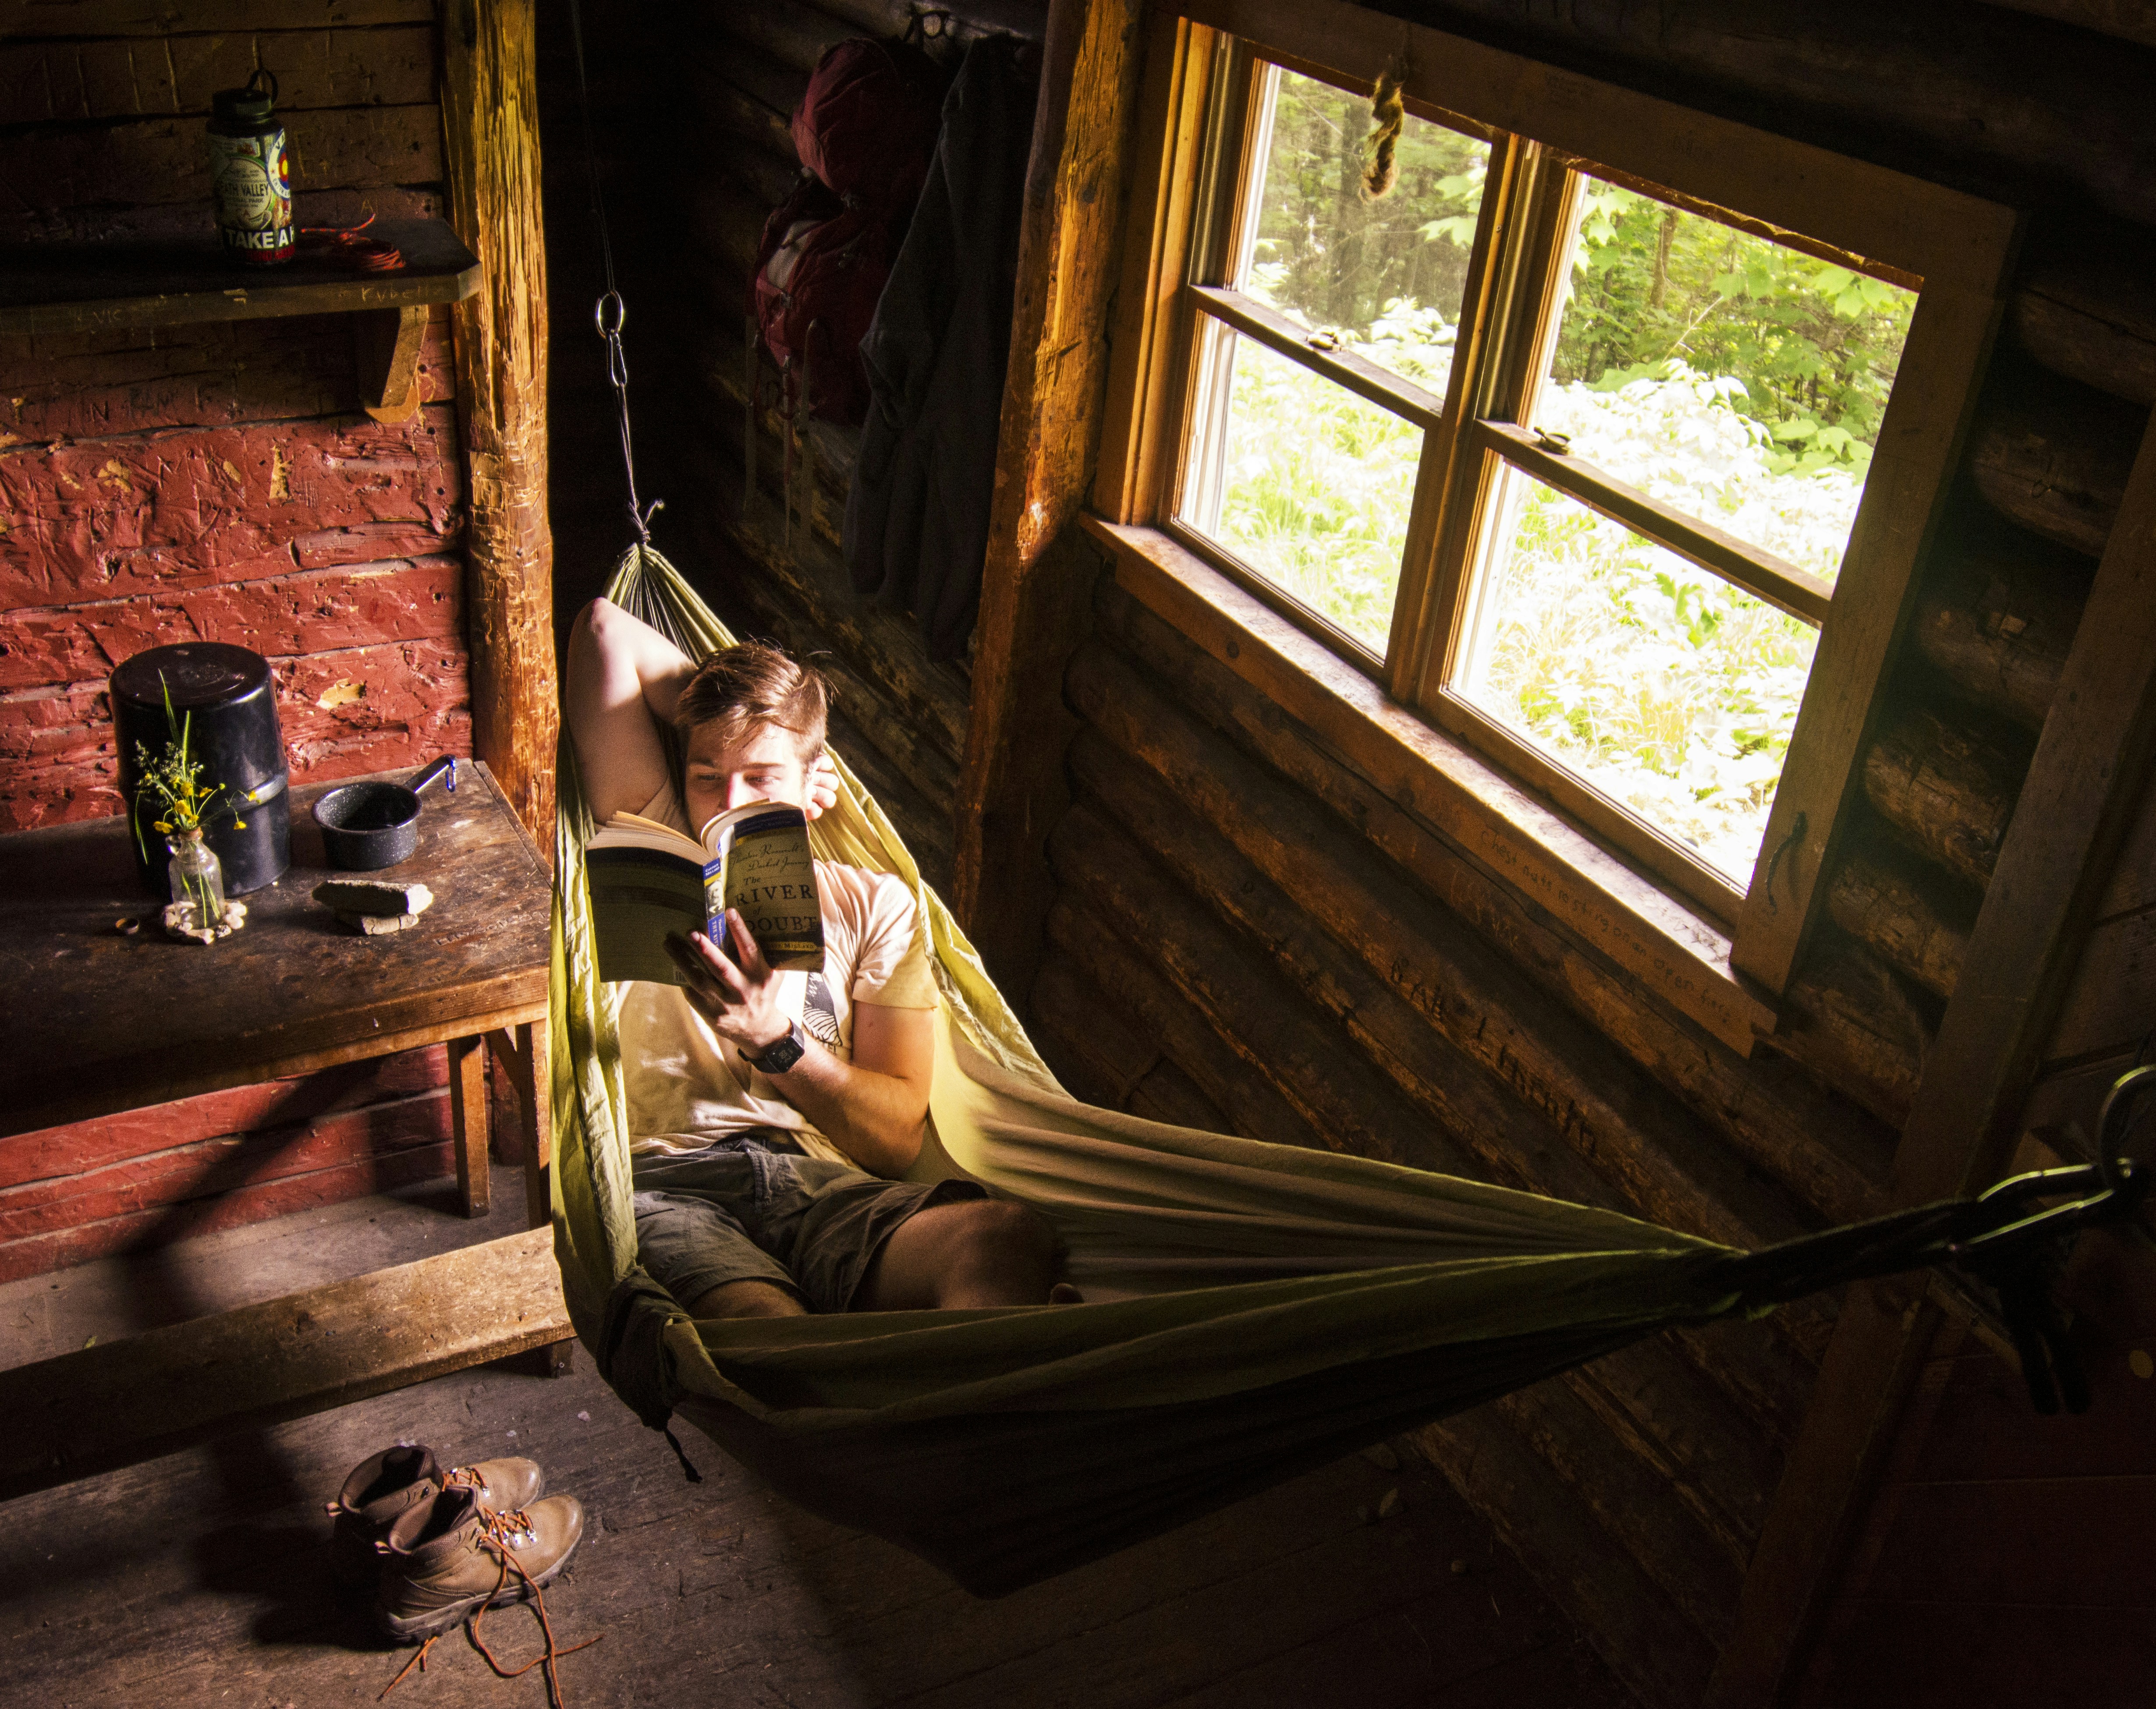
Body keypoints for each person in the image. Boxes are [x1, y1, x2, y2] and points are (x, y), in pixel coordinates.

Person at [566, 597, 1075, 1319]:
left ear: (816, 785)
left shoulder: (878, 906)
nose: (725, 804)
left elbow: (897, 1138)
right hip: (672, 1182)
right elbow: (602, 632)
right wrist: (752, 715)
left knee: (1001, 1237)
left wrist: (778, 1042)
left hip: (818, 1184)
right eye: (707, 774)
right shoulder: (657, 830)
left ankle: (991, 1382)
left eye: (762, 778)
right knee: (773, 1331)